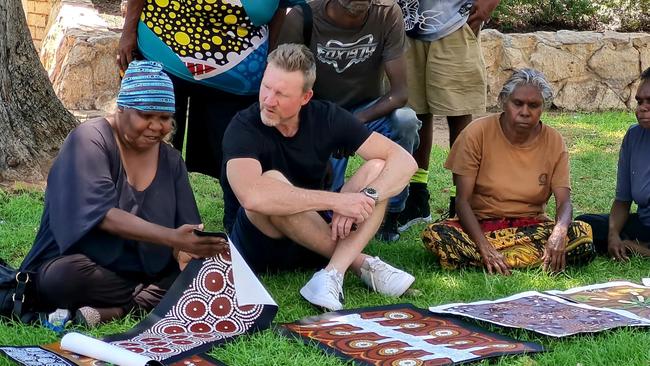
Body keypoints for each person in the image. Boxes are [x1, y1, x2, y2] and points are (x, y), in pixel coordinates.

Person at [18, 61, 227, 326]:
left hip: (145, 273)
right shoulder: (90, 139)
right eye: (145, 115)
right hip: (87, 268)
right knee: (61, 278)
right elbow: (104, 216)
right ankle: (137, 303)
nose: (156, 126)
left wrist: (183, 251)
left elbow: (185, 231)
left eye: (164, 118)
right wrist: (172, 238)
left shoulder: (172, 160)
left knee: (194, 276)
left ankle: (116, 310)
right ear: (122, 108)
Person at [222, 44, 417, 311]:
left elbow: (404, 162)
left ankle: (331, 274)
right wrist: (337, 203)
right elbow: (252, 197)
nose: (268, 100)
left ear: (305, 97)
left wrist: (367, 196)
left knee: (378, 168)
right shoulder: (243, 126)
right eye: (266, 87)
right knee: (272, 181)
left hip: (314, 235)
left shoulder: (326, 116)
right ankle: (361, 264)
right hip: (261, 243)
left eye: (281, 94)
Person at [421, 69, 595, 275]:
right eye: (518, 103)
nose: (525, 111)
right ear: (504, 101)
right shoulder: (476, 133)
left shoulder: (554, 140)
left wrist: (559, 232)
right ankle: (518, 258)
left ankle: (494, 261)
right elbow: (462, 202)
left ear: (543, 107)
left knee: (581, 233)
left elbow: (564, 201)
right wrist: (485, 246)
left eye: (533, 105)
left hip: (531, 227)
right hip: (481, 227)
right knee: (437, 234)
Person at [276, 0, 421, 242]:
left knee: (405, 120)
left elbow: (399, 93)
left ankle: (393, 212)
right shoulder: (303, 17)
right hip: (321, 113)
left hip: (367, 111)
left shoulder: (387, 13)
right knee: (329, 211)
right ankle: (330, 212)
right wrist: (330, 126)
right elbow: (287, 84)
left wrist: (353, 123)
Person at [118, 0, 303, 179]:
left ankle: (234, 211)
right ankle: (145, 209)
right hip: (161, 56)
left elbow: (281, 6)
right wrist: (128, 31)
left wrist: (270, 61)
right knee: (147, 157)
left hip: (239, 81)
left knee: (238, 166)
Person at [395, 0, 500, 233]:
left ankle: (461, 200)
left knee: (458, 113)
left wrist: (487, 5)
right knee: (415, 113)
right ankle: (417, 196)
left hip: (454, 23)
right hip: (408, 24)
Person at [576, 68, 650, 260]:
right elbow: (622, 200)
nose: (642, 108)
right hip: (646, 225)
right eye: (640, 101)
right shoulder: (634, 136)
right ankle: (632, 245)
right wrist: (613, 235)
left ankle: (642, 250)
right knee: (585, 226)